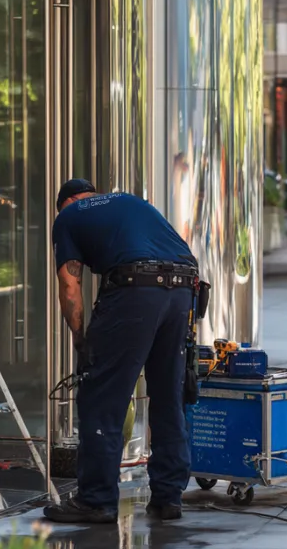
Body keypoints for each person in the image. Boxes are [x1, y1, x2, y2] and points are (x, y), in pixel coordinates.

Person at [43, 179, 199, 524]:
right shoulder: (130, 202)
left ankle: (96, 499)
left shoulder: (68, 217)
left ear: (67, 202)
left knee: (102, 395)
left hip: (135, 289)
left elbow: (70, 286)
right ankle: (168, 497)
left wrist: (82, 341)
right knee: (168, 394)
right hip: (183, 288)